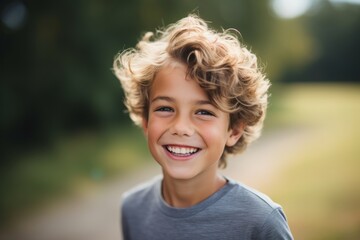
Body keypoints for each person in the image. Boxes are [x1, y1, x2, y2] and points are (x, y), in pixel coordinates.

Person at [113, 14, 293, 240]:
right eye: (165, 108)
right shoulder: (133, 209)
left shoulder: (260, 222)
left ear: (234, 130)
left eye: (204, 112)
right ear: (146, 120)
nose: (181, 127)